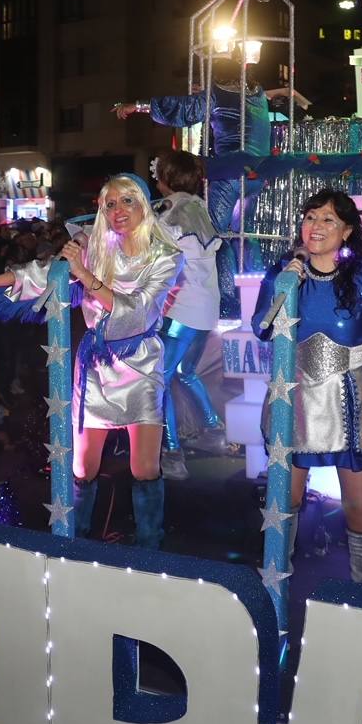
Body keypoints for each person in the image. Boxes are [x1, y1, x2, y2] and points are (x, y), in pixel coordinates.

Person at [0, 174, 183, 549]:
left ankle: (150, 551)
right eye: (109, 204)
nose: (118, 210)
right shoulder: (94, 246)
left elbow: (139, 312)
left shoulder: (167, 257)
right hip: (96, 367)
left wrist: (86, 275)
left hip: (142, 363)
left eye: (126, 201)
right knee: (83, 468)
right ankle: (73, 547)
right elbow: (47, 272)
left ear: (144, 205)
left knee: (144, 468)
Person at [252, 190, 362, 583]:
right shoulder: (283, 271)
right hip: (294, 401)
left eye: (328, 220)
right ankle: (276, 586)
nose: (316, 227)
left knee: (359, 507)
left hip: (356, 405)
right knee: (284, 500)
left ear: (346, 230)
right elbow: (262, 329)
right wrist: (285, 286)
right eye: (311, 217)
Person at [117, 55, 272, 319]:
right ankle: (258, 301)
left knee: (215, 236)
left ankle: (227, 302)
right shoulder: (258, 93)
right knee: (244, 236)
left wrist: (138, 106)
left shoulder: (217, 93)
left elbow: (184, 109)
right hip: (257, 174)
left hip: (229, 172)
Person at [151, 151, 225, 481]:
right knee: (186, 370)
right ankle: (214, 430)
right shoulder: (198, 207)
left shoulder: (167, 211)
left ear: (166, 177)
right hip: (206, 310)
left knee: (160, 379)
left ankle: (171, 452)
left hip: (180, 309)